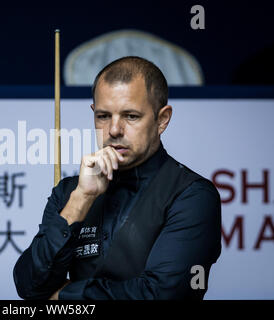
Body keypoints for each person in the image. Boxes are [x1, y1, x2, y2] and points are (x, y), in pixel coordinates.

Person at [13, 56, 222, 300]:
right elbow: (28, 286)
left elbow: (162, 294)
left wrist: (64, 296)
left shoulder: (192, 195)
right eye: (103, 116)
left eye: (131, 116)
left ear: (162, 119)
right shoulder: (71, 191)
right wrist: (81, 199)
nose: (113, 130)